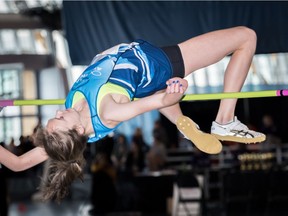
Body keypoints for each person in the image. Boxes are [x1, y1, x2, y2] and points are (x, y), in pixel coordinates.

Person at [0, 26, 266, 202]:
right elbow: (159, 99)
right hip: (159, 65)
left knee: (147, 91)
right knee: (246, 37)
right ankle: (224, 121)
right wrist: (176, 89)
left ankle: (182, 121)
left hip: (140, 80)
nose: (59, 110)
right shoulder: (109, 111)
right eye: (59, 118)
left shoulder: (61, 142)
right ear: (78, 130)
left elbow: (18, 164)